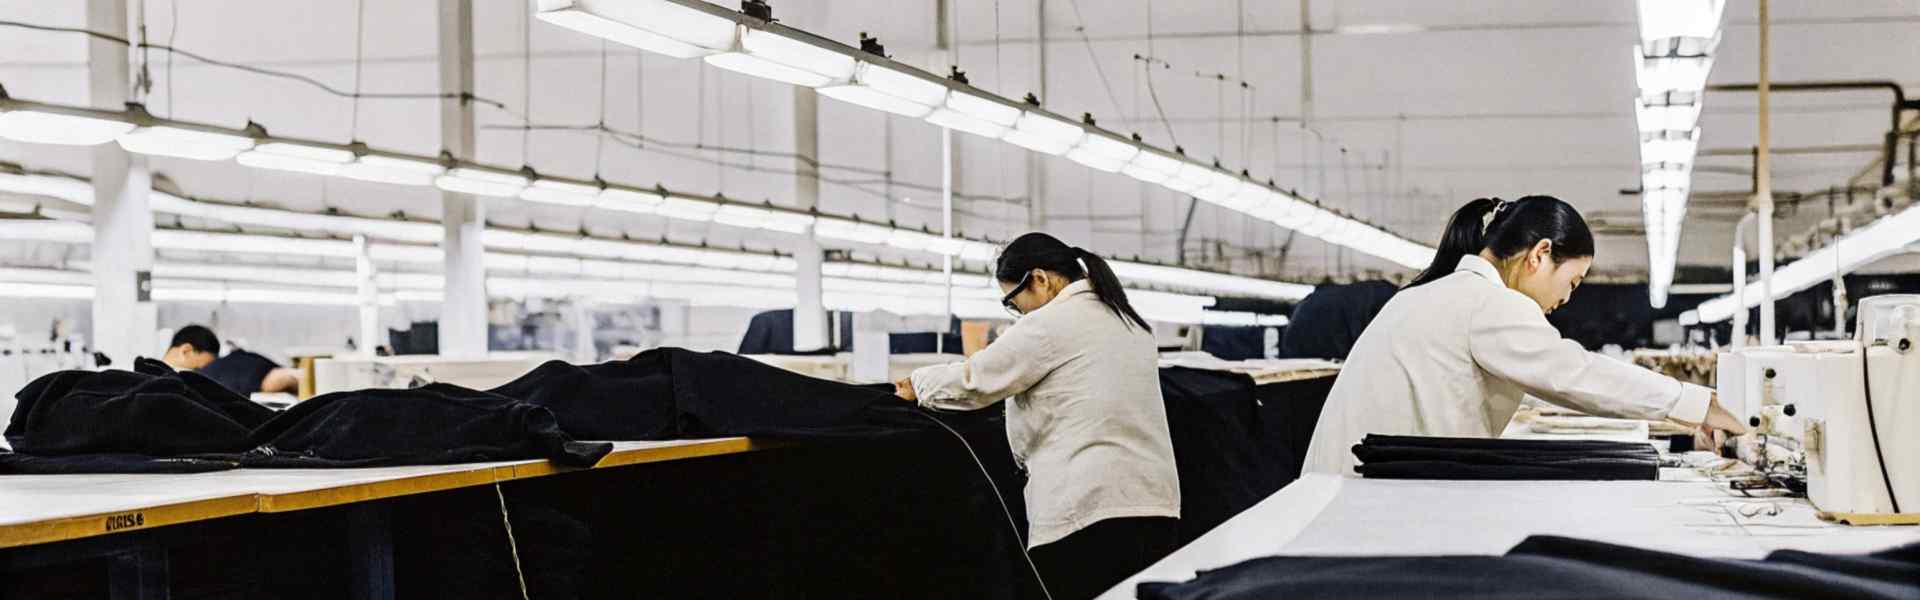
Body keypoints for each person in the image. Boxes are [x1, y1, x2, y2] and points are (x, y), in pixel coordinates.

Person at [1302, 196, 1749, 476]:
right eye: (1572, 282)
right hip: (1363, 500)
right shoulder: (1488, 303)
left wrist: (1676, 429)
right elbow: (1572, 375)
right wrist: (1699, 404)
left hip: (1342, 490)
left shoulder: (1436, 296)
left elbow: (1545, 390)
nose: (1567, 298)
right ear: (1540, 254)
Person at [894, 232, 1180, 600]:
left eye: (1014, 301)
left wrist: (918, 384)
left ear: (1041, 279)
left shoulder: (1051, 323)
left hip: (1088, 514)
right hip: (1156, 506)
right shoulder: (1129, 322)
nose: (1018, 313)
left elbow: (977, 380)